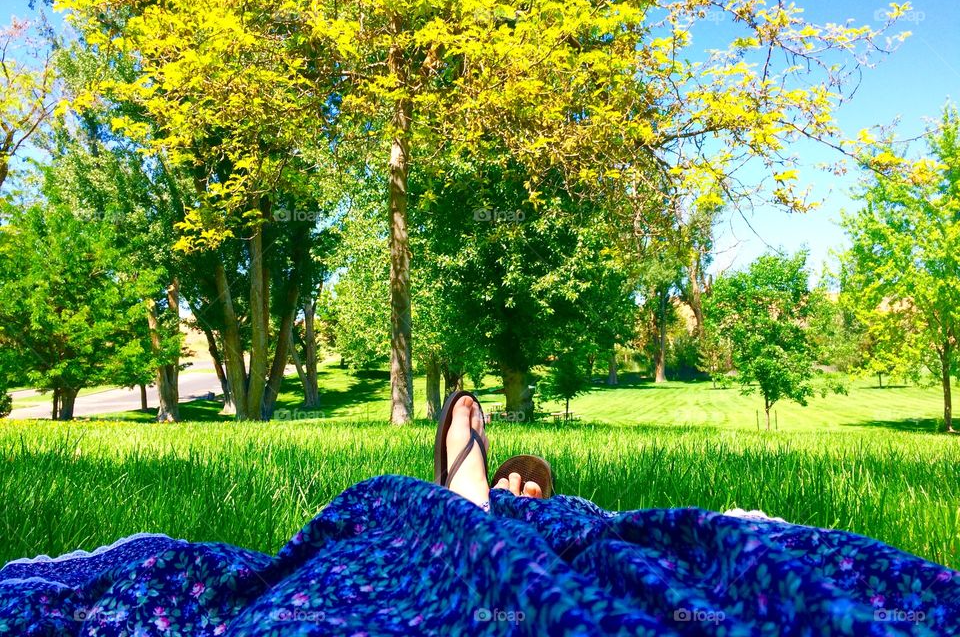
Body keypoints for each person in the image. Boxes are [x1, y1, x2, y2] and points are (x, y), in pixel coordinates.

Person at [1, 391, 958, 636]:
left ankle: (484, 505)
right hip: (462, 511)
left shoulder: (559, 506)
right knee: (412, 518)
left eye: (529, 480)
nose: (532, 483)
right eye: (520, 478)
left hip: (541, 525)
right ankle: (466, 501)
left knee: (599, 533)